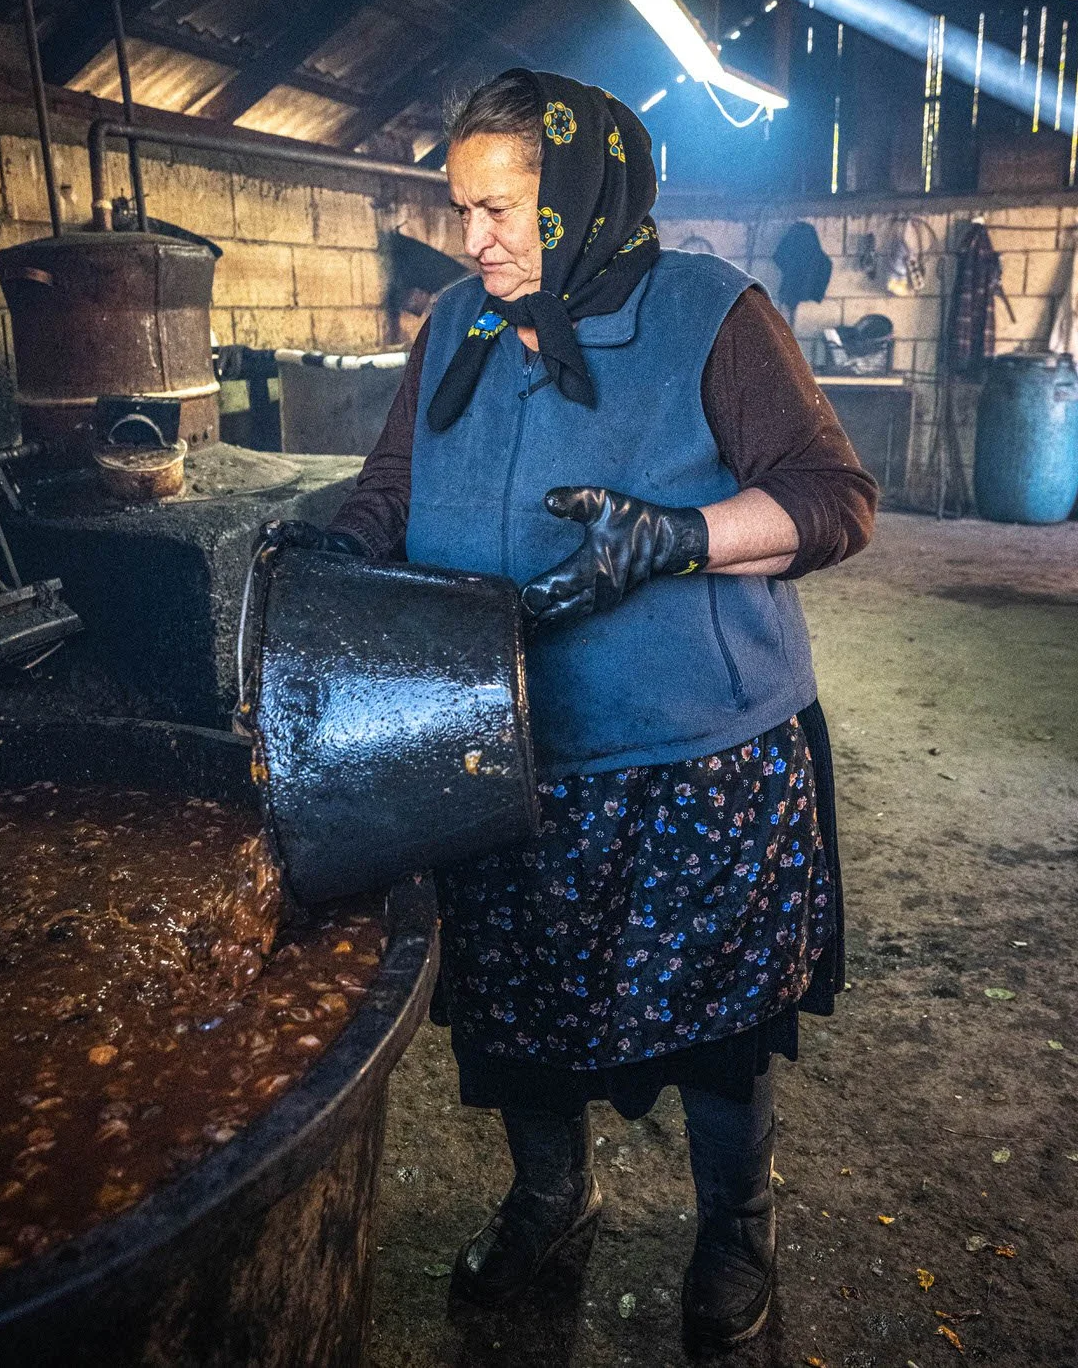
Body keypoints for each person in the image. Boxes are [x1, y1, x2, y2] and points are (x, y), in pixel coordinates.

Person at [257, 69, 877, 1350]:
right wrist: (340, 546)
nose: (474, 239)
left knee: (717, 1020)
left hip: (694, 759)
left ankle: (737, 1225)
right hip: (495, 746)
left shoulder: (710, 313)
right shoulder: (457, 325)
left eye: (502, 209)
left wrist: (675, 539)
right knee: (517, 1010)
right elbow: (392, 484)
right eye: (462, 209)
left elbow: (833, 498)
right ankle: (552, 1196)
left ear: (587, 194)